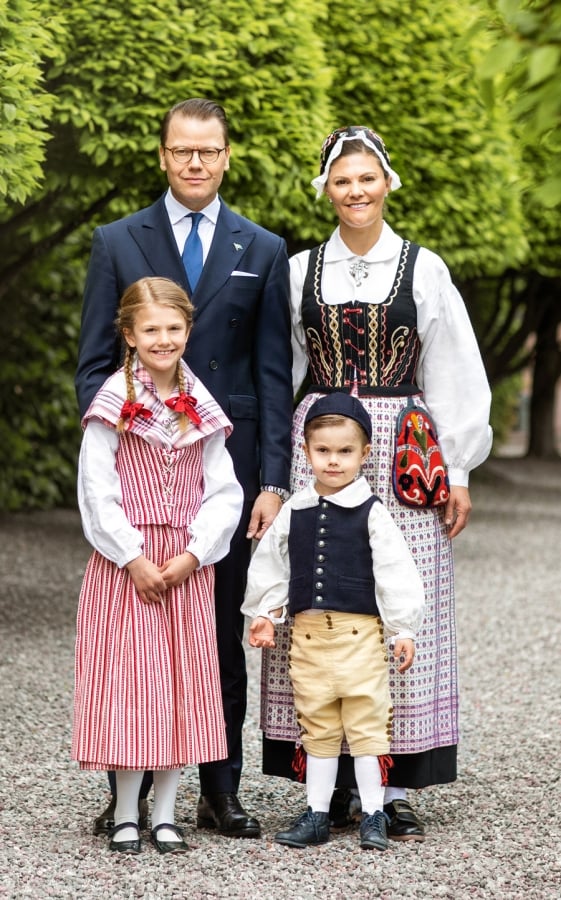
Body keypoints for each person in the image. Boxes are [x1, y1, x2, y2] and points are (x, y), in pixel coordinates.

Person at [259, 125, 493, 840]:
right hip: (322, 441)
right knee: (317, 590)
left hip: (400, 445)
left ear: (387, 182)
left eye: (367, 179)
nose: (355, 191)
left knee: (399, 594)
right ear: (325, 190)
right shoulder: (299, 270)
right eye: (342, 180)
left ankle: (389, 783)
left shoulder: (423, 269)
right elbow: (289, 368)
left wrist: (455, 466)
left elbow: (452, 364)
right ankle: (320, 779)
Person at [75, 98, 293, 839]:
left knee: (216, 636)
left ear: (227, 156)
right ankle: (125, 795)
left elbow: (272, 375)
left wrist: (270, 482)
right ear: (163, 155)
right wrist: (124, 430)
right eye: (181, 150)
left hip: (221, 479)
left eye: (207, 150)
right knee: (131, 641)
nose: (194, 162)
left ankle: (219, 787)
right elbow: (93, 368)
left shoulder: (261, 247)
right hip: (139, 480)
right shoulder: (116, 240)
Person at [72, 277, 244, 854]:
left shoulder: (202, 406)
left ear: (189, 332)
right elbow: (97, 490)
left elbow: (223, 489)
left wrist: (195, 552)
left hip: (185, 563)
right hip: (130, 566)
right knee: (131, 686)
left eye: (174, 328)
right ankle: (126, 812)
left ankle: (167, 814)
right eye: (151, 330)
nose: (163, 339)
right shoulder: (112, 404)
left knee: (180, 685)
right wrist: (132, 556)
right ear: (128, 334)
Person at [243, 393, 425, 851]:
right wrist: (265, 613)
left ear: (365, 454)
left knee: (366, 728)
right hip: (307, 639)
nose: (333, 460)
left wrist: (403, 628)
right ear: (306, 452)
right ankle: (318, 814)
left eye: (345, 451)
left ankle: (374, 814)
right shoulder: (294, 510)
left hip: (359, 638)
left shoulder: (373, 512)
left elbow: (395, 571)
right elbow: (272, 565)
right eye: (323, 451)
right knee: (318, 728)